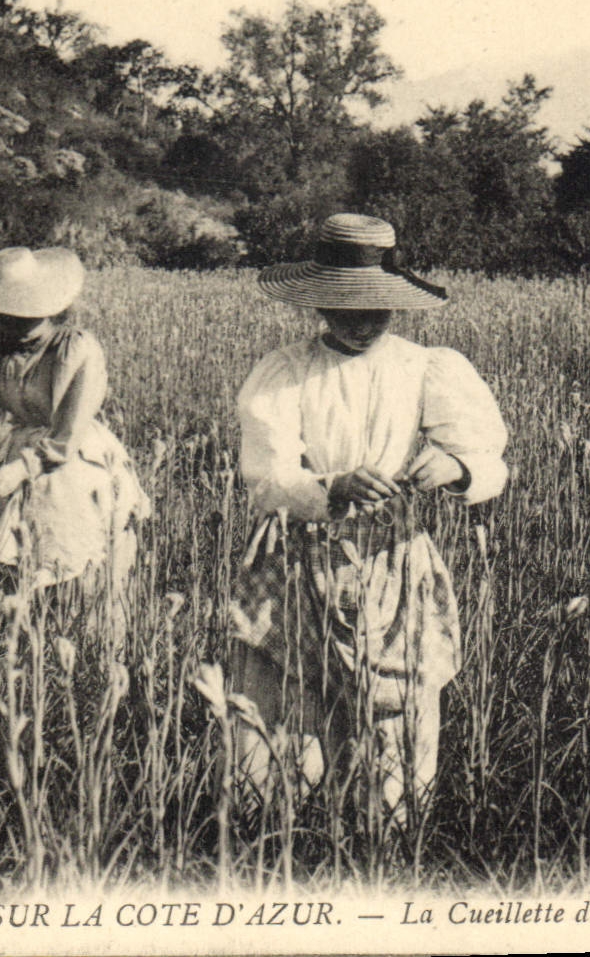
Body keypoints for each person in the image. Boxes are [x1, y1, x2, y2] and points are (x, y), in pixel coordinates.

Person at [229, 214, 508, 824]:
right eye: (345, 308)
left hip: (392, 554)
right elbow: (267, 479)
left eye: (375, 310)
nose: (362, 322)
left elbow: (489, 459)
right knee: (286, 700)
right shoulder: (286, 371)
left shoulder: (424, 366)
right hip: (298, 554)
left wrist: (454, 467)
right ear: (319, 306)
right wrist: (329, 486)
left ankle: (386, 831)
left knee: (396, 703)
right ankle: (276, 833)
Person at [0, 246, 151, 640]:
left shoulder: (76, 348)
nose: (9, 320)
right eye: (2, 310)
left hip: (72, 462)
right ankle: (37, 652)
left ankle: (94, 651)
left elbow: (68, 429)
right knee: (20, 564)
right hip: (15, 456)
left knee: (80, 562)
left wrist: (23, 468)